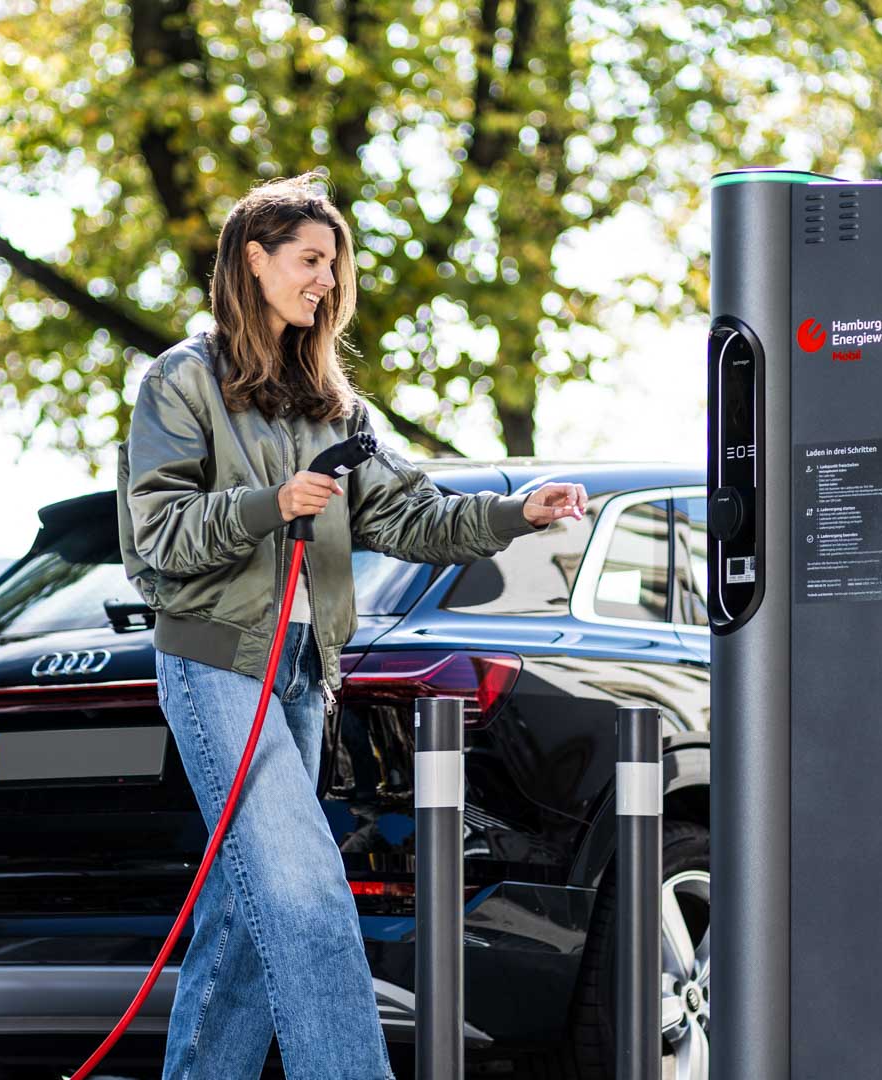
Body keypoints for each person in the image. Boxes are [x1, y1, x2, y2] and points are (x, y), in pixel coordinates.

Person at [117, 172, 586, 1080]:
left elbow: (412, 518)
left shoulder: (331, 401)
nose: (326, 280)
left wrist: (515, 514)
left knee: (245, 930)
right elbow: (157, 537)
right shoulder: (182, 380)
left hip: (300, 677)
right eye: (309, 259)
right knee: (306, 899)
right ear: (253, 262)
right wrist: (271, 504)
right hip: (218, 669)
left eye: (333, 264)